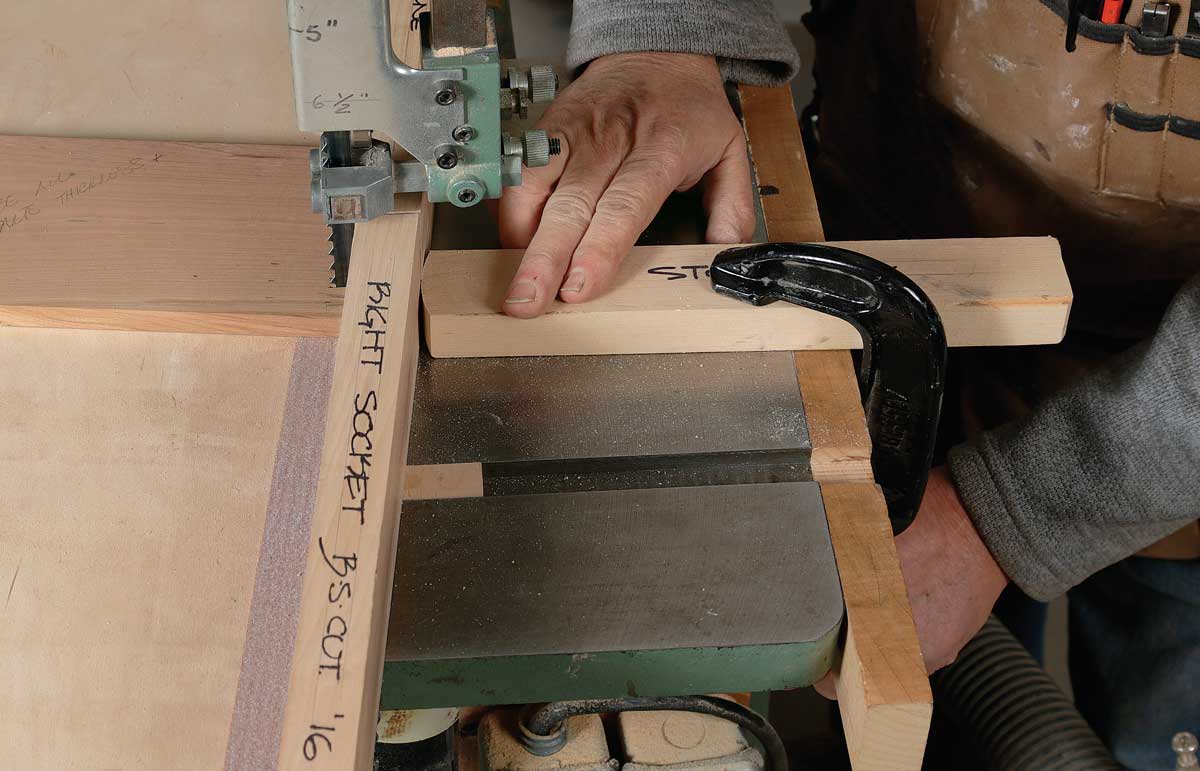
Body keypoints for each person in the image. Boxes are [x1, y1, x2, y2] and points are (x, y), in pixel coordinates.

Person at [506, 2, 1200, 769]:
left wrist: (1010, 511)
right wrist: (671, 32)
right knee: (924, 710)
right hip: (884, 222)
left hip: (1175, 417)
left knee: (1144, 735)